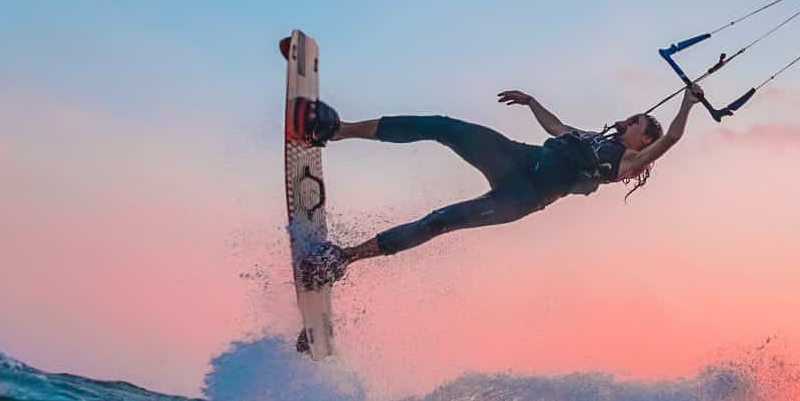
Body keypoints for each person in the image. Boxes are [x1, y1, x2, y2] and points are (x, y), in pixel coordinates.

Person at [292, 82, 703, 285]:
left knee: (439, 221)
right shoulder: (596, 138)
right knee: (443, 126)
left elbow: (672, 139)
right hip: (516, 157)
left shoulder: (631, 161)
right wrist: (531, 102)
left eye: (637, 122)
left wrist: (687, 103)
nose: (629, 120)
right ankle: (337, 130)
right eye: (632, 117)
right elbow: (557, 127)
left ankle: (340, 260)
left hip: (521, 197)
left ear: (644, 138)